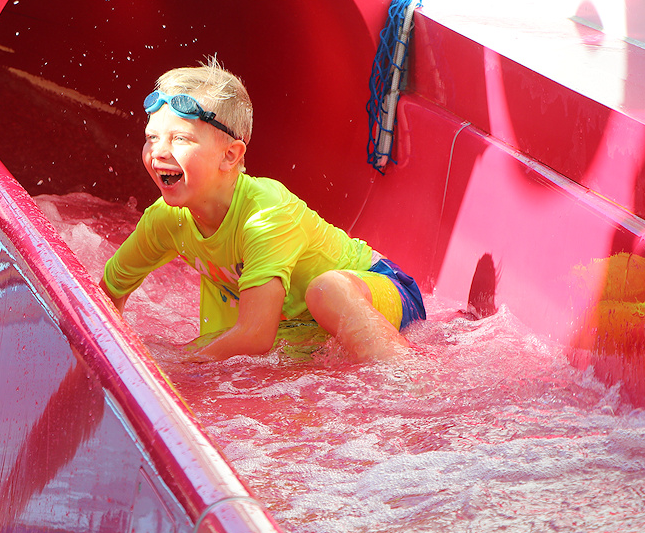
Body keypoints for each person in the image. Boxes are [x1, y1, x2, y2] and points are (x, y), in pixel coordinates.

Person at [99, 58, 425, 362]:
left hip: (380, 294)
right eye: (151, 137)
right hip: (299, 327)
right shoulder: (166, 220)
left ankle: (406, 377)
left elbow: (255, 336)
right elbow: (106, 296)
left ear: (230, 155)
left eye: (180, 139)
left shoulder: (265, 214)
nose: (158, 152)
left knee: (326, 290)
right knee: (212, 347)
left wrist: (170, 365)